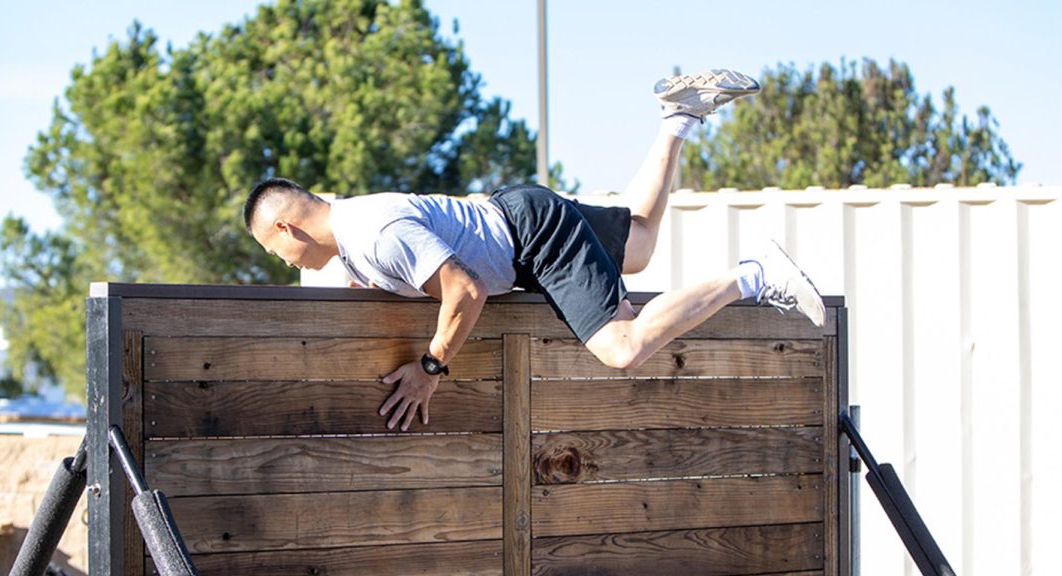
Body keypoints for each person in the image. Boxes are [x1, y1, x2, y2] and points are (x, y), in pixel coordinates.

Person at [244, 69, 825, 431]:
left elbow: (465, 290)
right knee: (640, 244)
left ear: (288, 230)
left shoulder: (373, 231)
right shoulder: (351, 227)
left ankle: (752, 274)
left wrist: (430, 370)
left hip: (531, 238)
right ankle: (678, 118)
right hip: (519, 215)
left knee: (622, 347)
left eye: (272, 249)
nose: (280, 261)